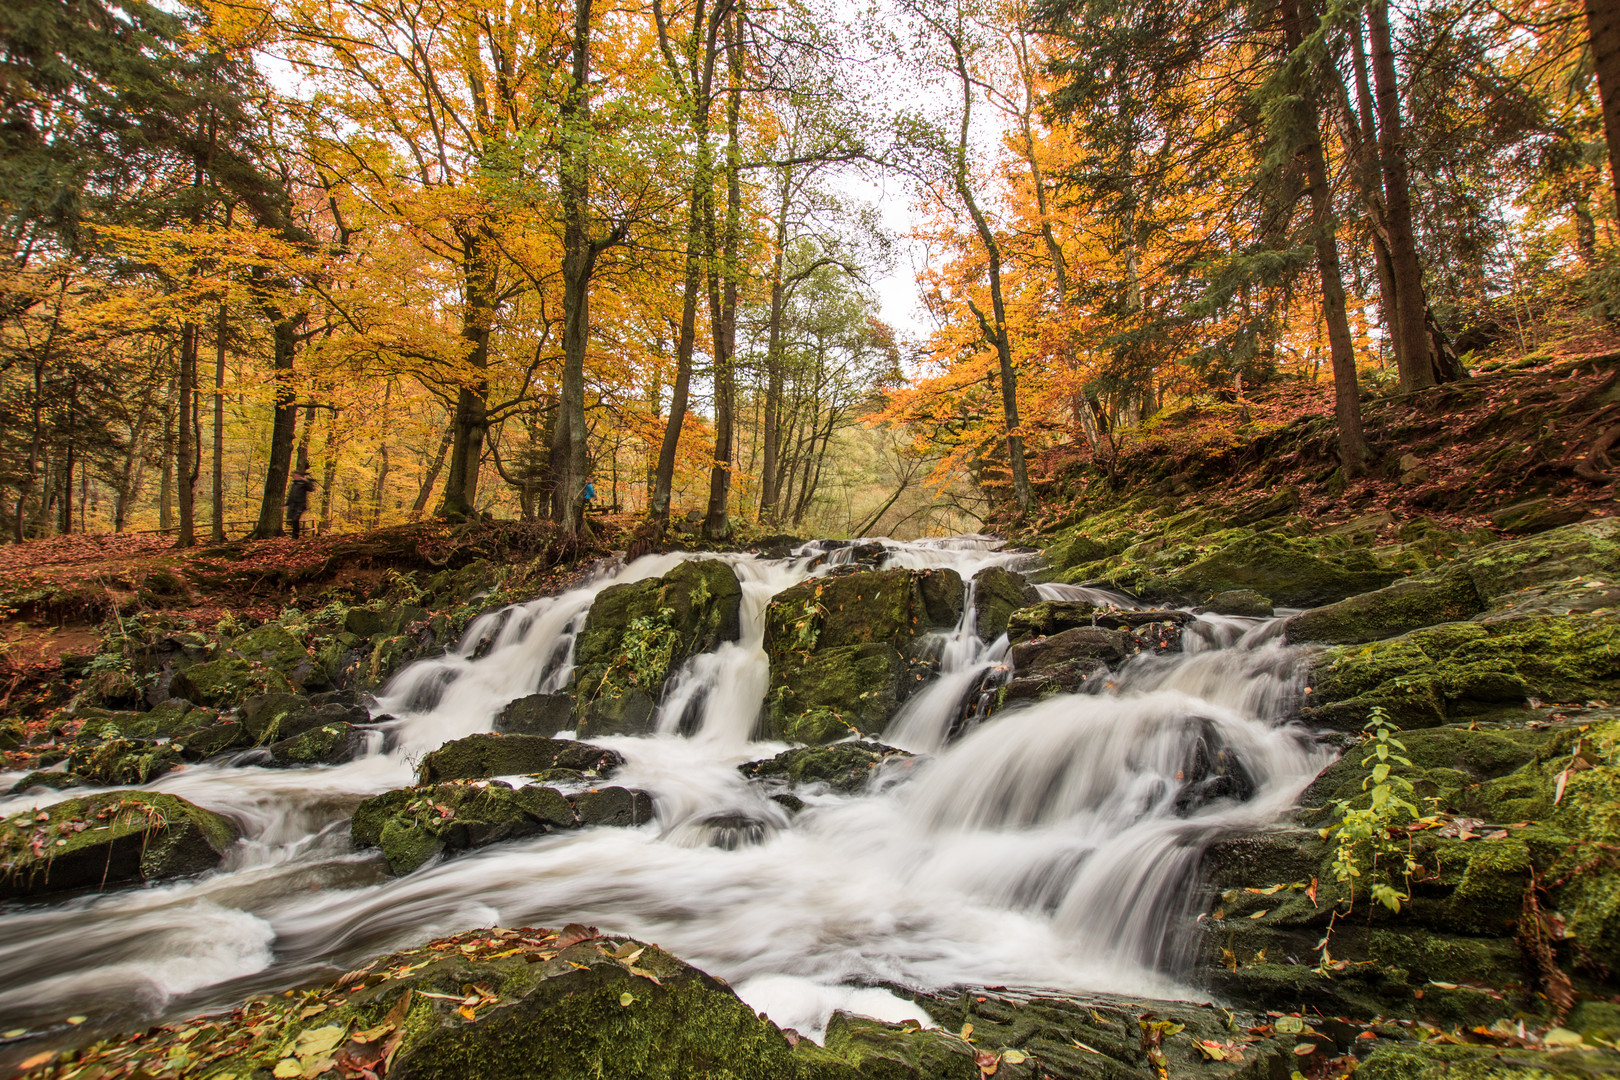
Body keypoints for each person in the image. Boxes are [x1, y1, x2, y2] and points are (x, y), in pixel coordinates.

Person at [286, 469, 317, 538]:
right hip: (294, 504)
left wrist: (306, 481)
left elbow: (311, 489)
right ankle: (294, 535)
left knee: (295, 518)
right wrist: (286, 504)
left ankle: (295, 536)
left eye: (294, 475)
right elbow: (291, 495)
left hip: (301, 504)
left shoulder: (303, 483)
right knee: (292, 519)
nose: (293, 476)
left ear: (298, 475)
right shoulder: (294, 484)